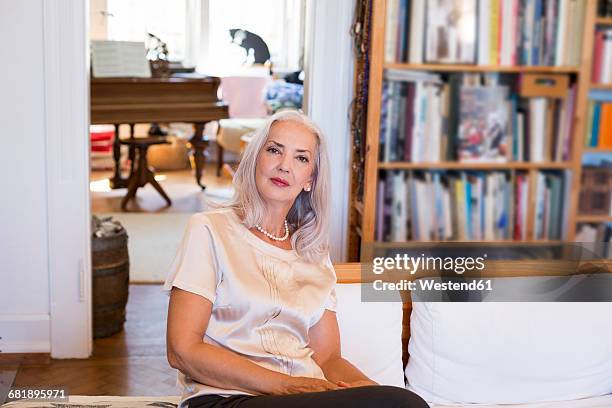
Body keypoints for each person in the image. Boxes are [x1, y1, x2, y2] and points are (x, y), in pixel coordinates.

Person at [163, 110, 428, 408]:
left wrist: (367, 389)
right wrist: (286, 386)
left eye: (301, 158)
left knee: (402, 402)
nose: (284, 166)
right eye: (274, 150)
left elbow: (328, 358)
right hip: (228, 399)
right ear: (255, 159)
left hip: (302, 398)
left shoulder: (314, 253)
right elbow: (182, 349)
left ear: (310, 179)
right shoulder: (210, 230)